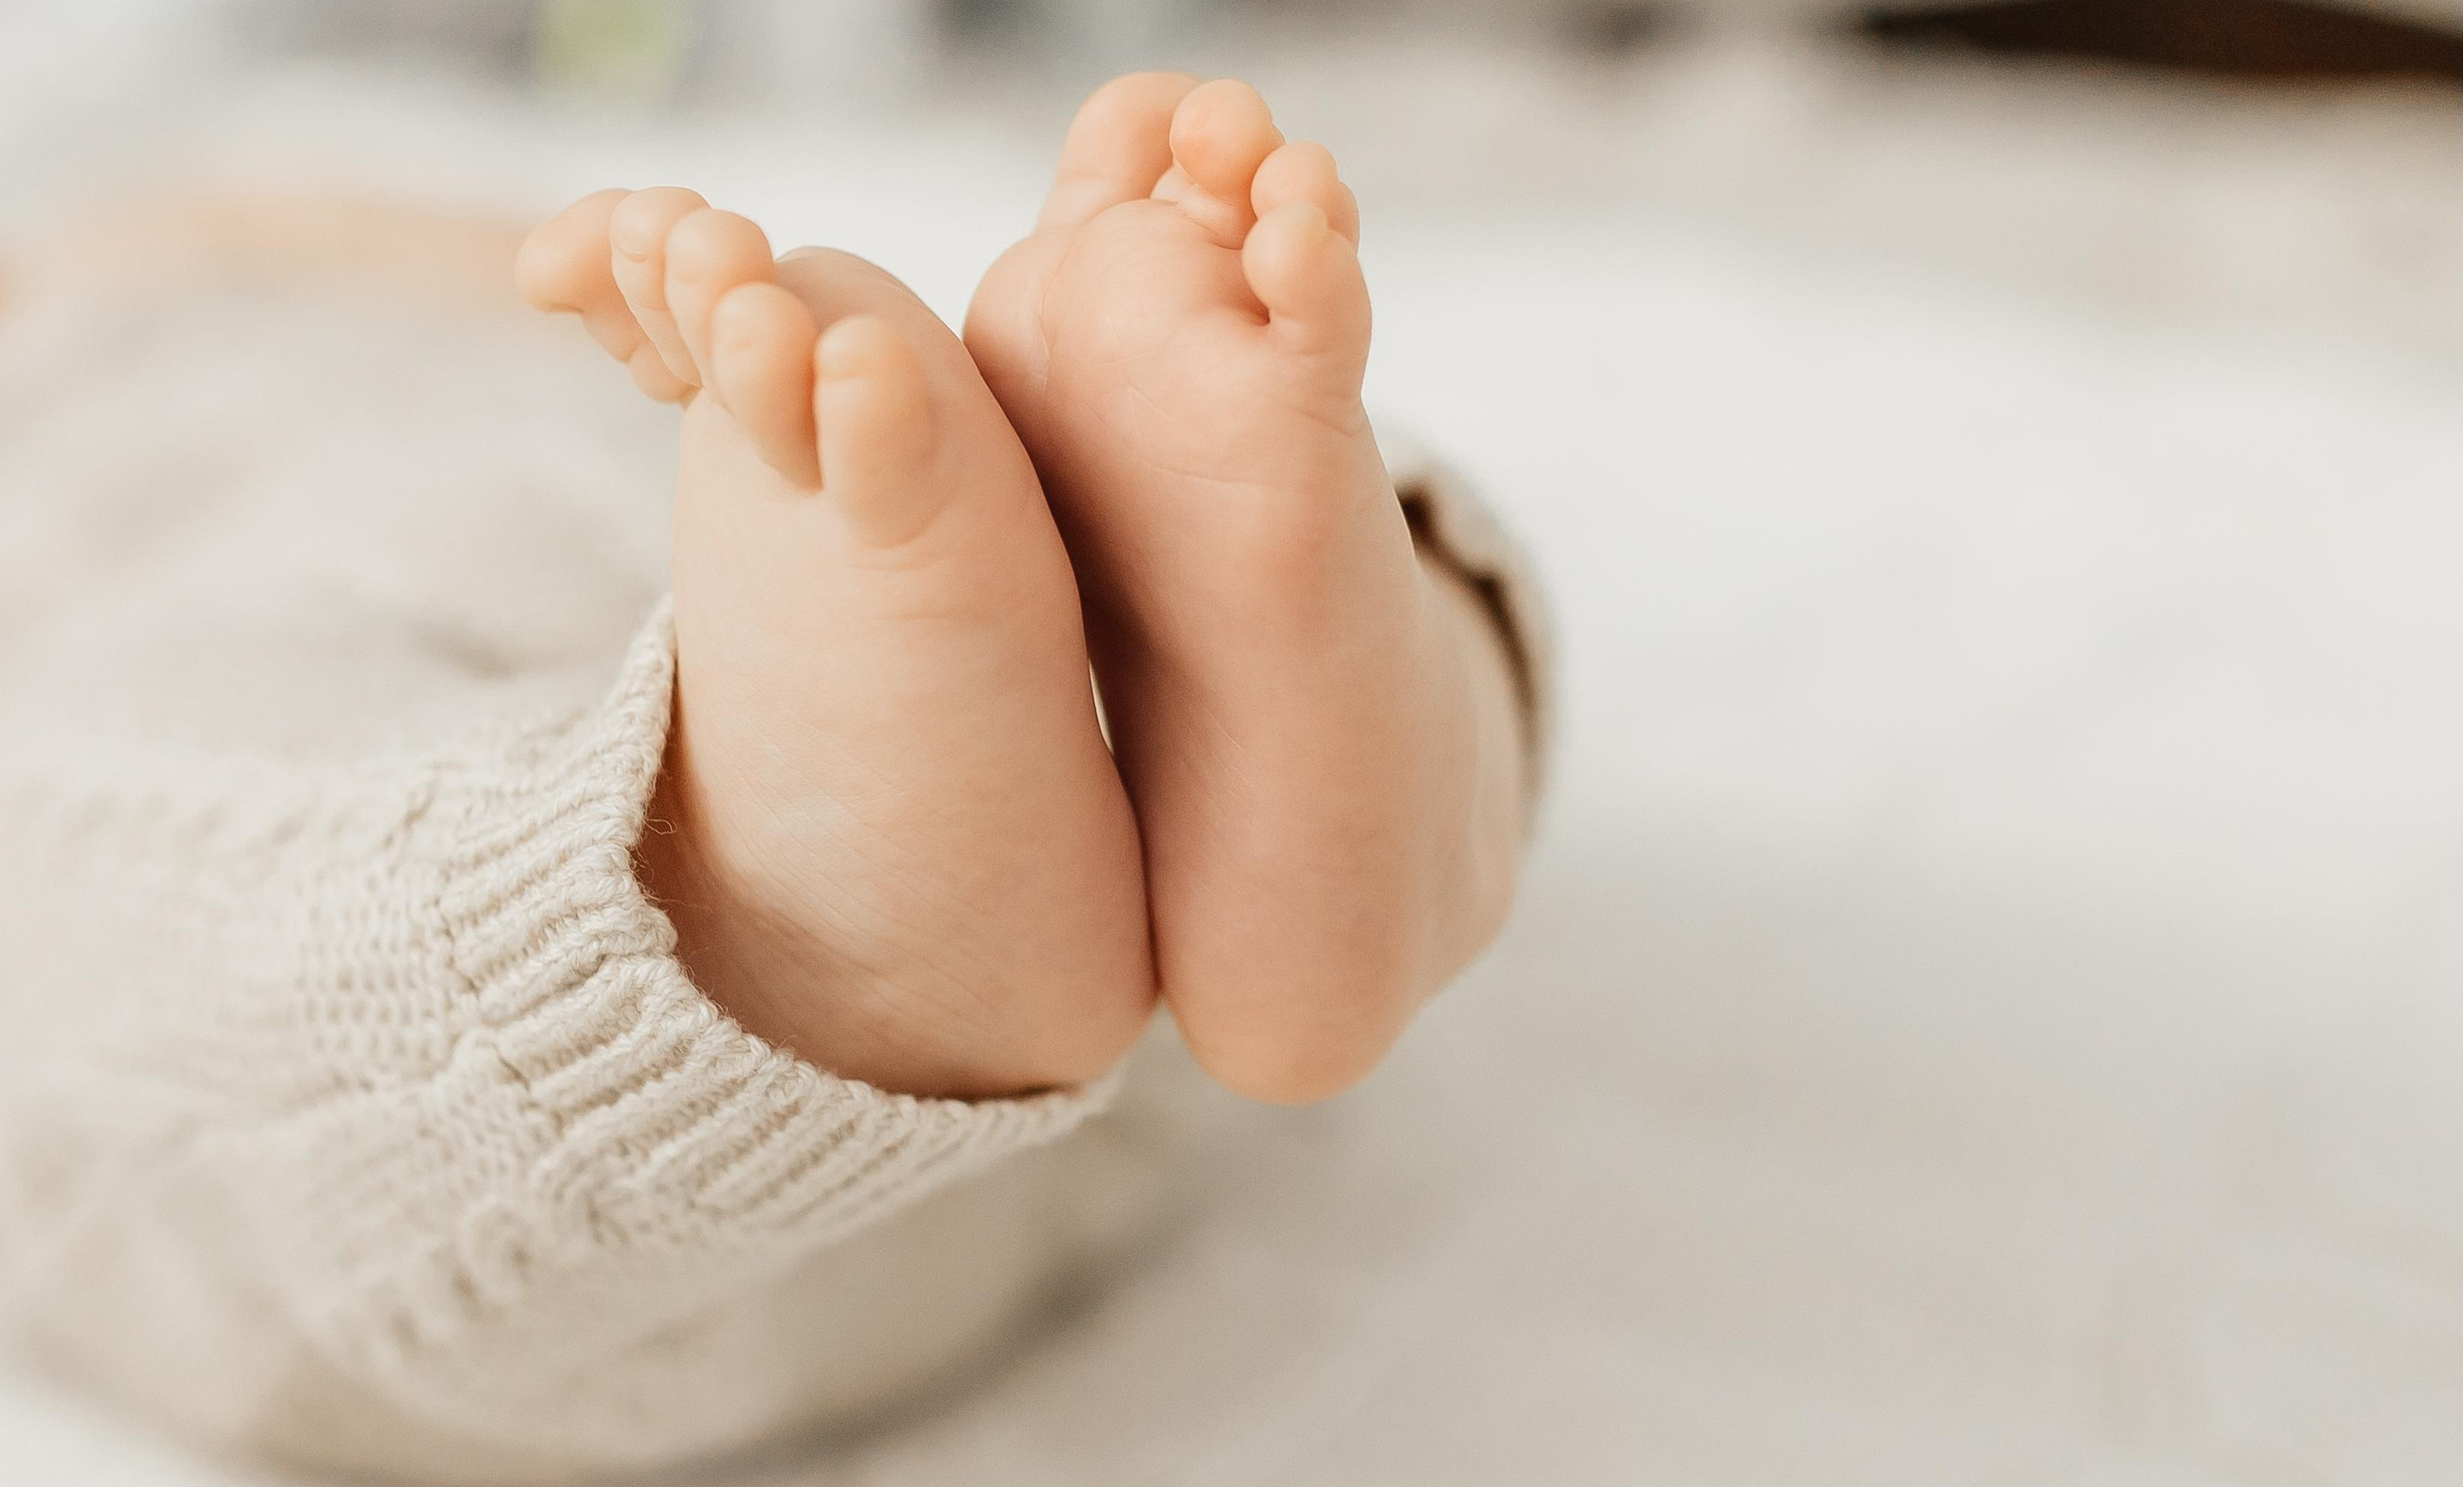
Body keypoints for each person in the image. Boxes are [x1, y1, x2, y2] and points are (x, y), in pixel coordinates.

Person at [0, 73, 1547, 1482]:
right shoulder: (203, 206)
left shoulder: (143, 256)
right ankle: (1402, 718)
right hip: (993, 833)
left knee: (112, 880)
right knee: (911, 493)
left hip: (680, 823)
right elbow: (477, 258)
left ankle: (777, 914)